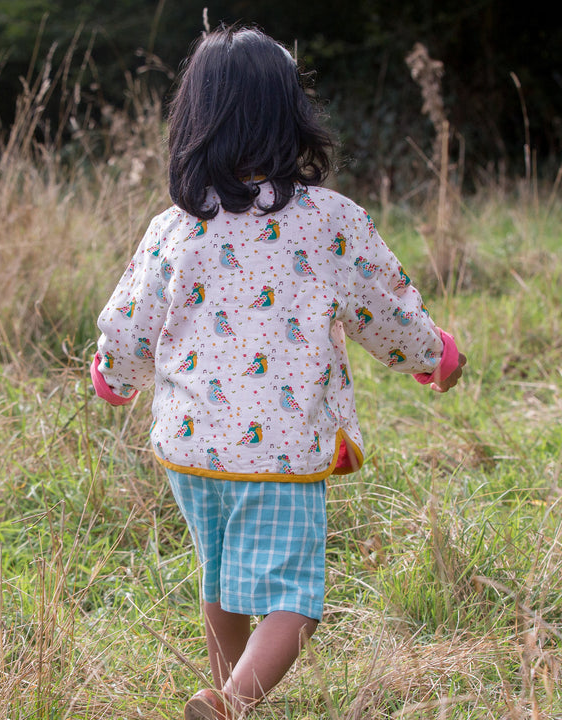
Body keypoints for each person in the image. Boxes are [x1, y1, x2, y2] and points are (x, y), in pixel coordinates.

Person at [91, 25, 466, 720]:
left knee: (223, 576)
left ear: (193, 123)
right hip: (280, 446)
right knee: (294, 599)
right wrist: (433, 355)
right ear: (292, 115)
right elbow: (384, 306)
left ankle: (224, 694)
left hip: (192, 447)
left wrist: (114, 376)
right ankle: (232, 704)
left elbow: (130, 322)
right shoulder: (327, 222)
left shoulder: (174, 228)